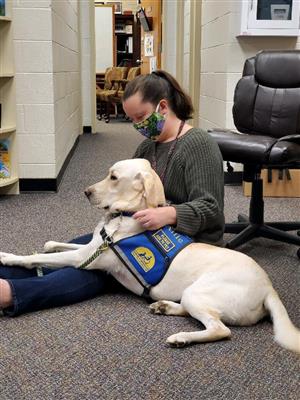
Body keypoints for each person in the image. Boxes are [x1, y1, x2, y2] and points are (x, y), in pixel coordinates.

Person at [0, 70, 224, 317]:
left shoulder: (199, 144)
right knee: (77, 247)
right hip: (142, 231)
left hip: (184, 247)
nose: (138, 126)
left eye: (141, 117)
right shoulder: (148, 146)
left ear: (163, 107)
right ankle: (8, 269)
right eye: (132, 120)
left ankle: (11, 294)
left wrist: (169, 214)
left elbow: (211, 209)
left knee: (93, 266)